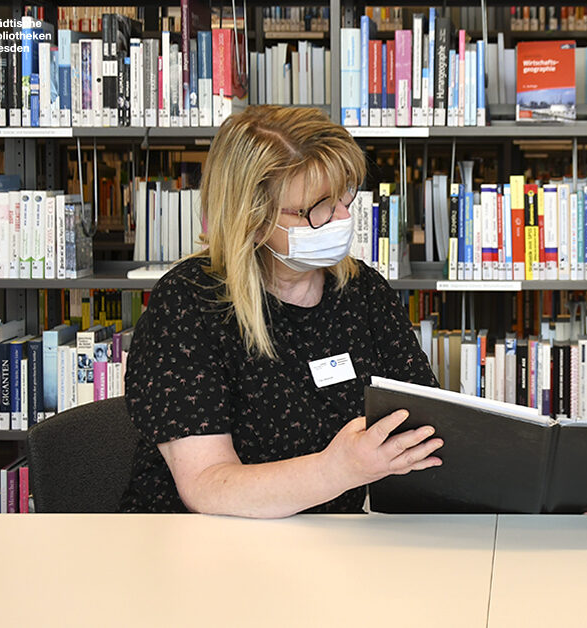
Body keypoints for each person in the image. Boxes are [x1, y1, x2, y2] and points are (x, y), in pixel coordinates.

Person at [120, 105, 443, 518]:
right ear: (251, 219)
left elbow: (421, 427)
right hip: (204, 549)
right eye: (318, 208)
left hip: (327, 546)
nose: (343, 218)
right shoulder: (188, 304)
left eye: (345, 197)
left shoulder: (362, 291)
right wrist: (337, 470)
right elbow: (207, 485)